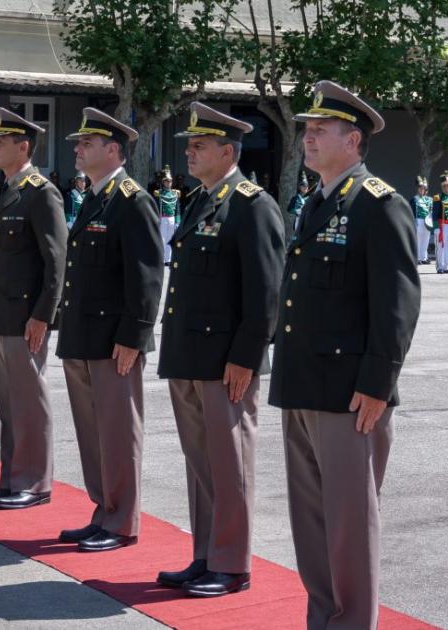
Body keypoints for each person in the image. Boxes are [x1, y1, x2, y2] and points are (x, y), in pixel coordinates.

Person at [269, 80, 421, 630]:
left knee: (350, 523)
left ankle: (352, 621)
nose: (306, 137)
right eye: (305, 129)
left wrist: (379, 383)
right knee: (311, 521)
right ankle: (323, 618)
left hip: (350, 391)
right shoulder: (316, 201)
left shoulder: (380, 205)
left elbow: (397, 302)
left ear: (352, 139)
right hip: (304, 382)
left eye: (318, 129)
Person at [155, 102, 286, 597]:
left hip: (226, 361)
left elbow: (265, 292)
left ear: (228, 151)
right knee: (201, 465)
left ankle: (232, 565)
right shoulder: (199, 200)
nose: (189, 152)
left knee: (229, 466)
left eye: (199, 145)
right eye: (189, 145)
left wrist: (246, 357)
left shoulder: (253, 205)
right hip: (190, 357)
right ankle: (206, 554)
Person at [55, 107, 163, 552]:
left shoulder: (133, 199)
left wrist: (134, 336)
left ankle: (121, 521)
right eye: (79, 143)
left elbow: (146, 276)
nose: (78, 149)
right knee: (92, 433)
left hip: (113, 341)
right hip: (82, 335)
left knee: (118, 433)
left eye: (86, 143)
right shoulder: (97, 196)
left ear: (113, 149)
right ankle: (103, 510)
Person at [0, 107, 67, 509]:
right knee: (10, 404)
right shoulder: (6, 188)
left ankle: (34, 481)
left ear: (23, 146)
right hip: (0, 315)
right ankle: (13, 476)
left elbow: (56, 261)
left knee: (29, 401)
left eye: (0, 142)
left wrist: (44, 314)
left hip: (26, 317)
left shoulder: (41, 192)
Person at [155, 165, 182, 265]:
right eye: (166, 181)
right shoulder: (159, 193)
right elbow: (156, 207)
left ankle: (168, 259)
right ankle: (161, 258)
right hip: (162, 217)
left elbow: (177, 209)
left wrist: (177, 221)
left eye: (170, 181)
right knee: (162, 238)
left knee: (170, 238)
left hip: (171, 218)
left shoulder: (175, 194)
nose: (168, 183)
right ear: (163, 182)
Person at [432, 171, 448, 274]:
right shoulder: (437, 197)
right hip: (442, 225)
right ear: (443, 187)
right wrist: (436, 227)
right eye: (447, 186)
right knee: (440, 247)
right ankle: (440, 267)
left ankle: (446, 266)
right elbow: (434, 214)